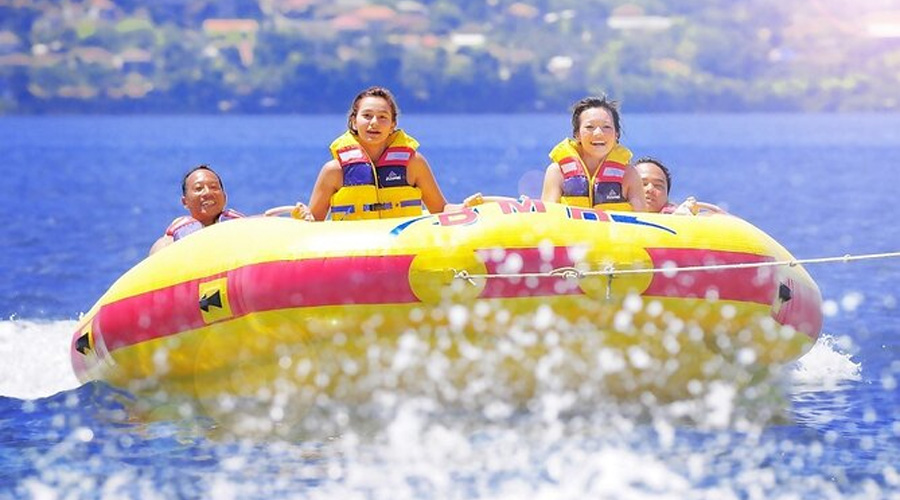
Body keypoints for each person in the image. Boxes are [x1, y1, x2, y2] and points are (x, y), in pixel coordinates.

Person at [305, 86, 479, 221]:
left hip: (403, 251)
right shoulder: (333, 171)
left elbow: (440, 209)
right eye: (367, 116)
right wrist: (304, 217)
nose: (374, 123)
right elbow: (313, 224)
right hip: (355, 255)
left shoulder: (414, 164)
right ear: (354, 121)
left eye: (383, 117)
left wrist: (463, 208)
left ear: (393, 124)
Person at [541, 96, 646, 212]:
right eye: (589, 127)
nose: (598, 133)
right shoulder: (557, 172)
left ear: (616, 134)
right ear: (577, 134)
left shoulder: (629, 175)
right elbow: (547, 218)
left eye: (606, 127)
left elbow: (643, 221)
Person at [149, 165, 245, 255]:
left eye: (214, 187)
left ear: (224, 197)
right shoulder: (172, 239)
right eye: (198, 188)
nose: (207, 193)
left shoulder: (241, 224)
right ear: (185, 201)